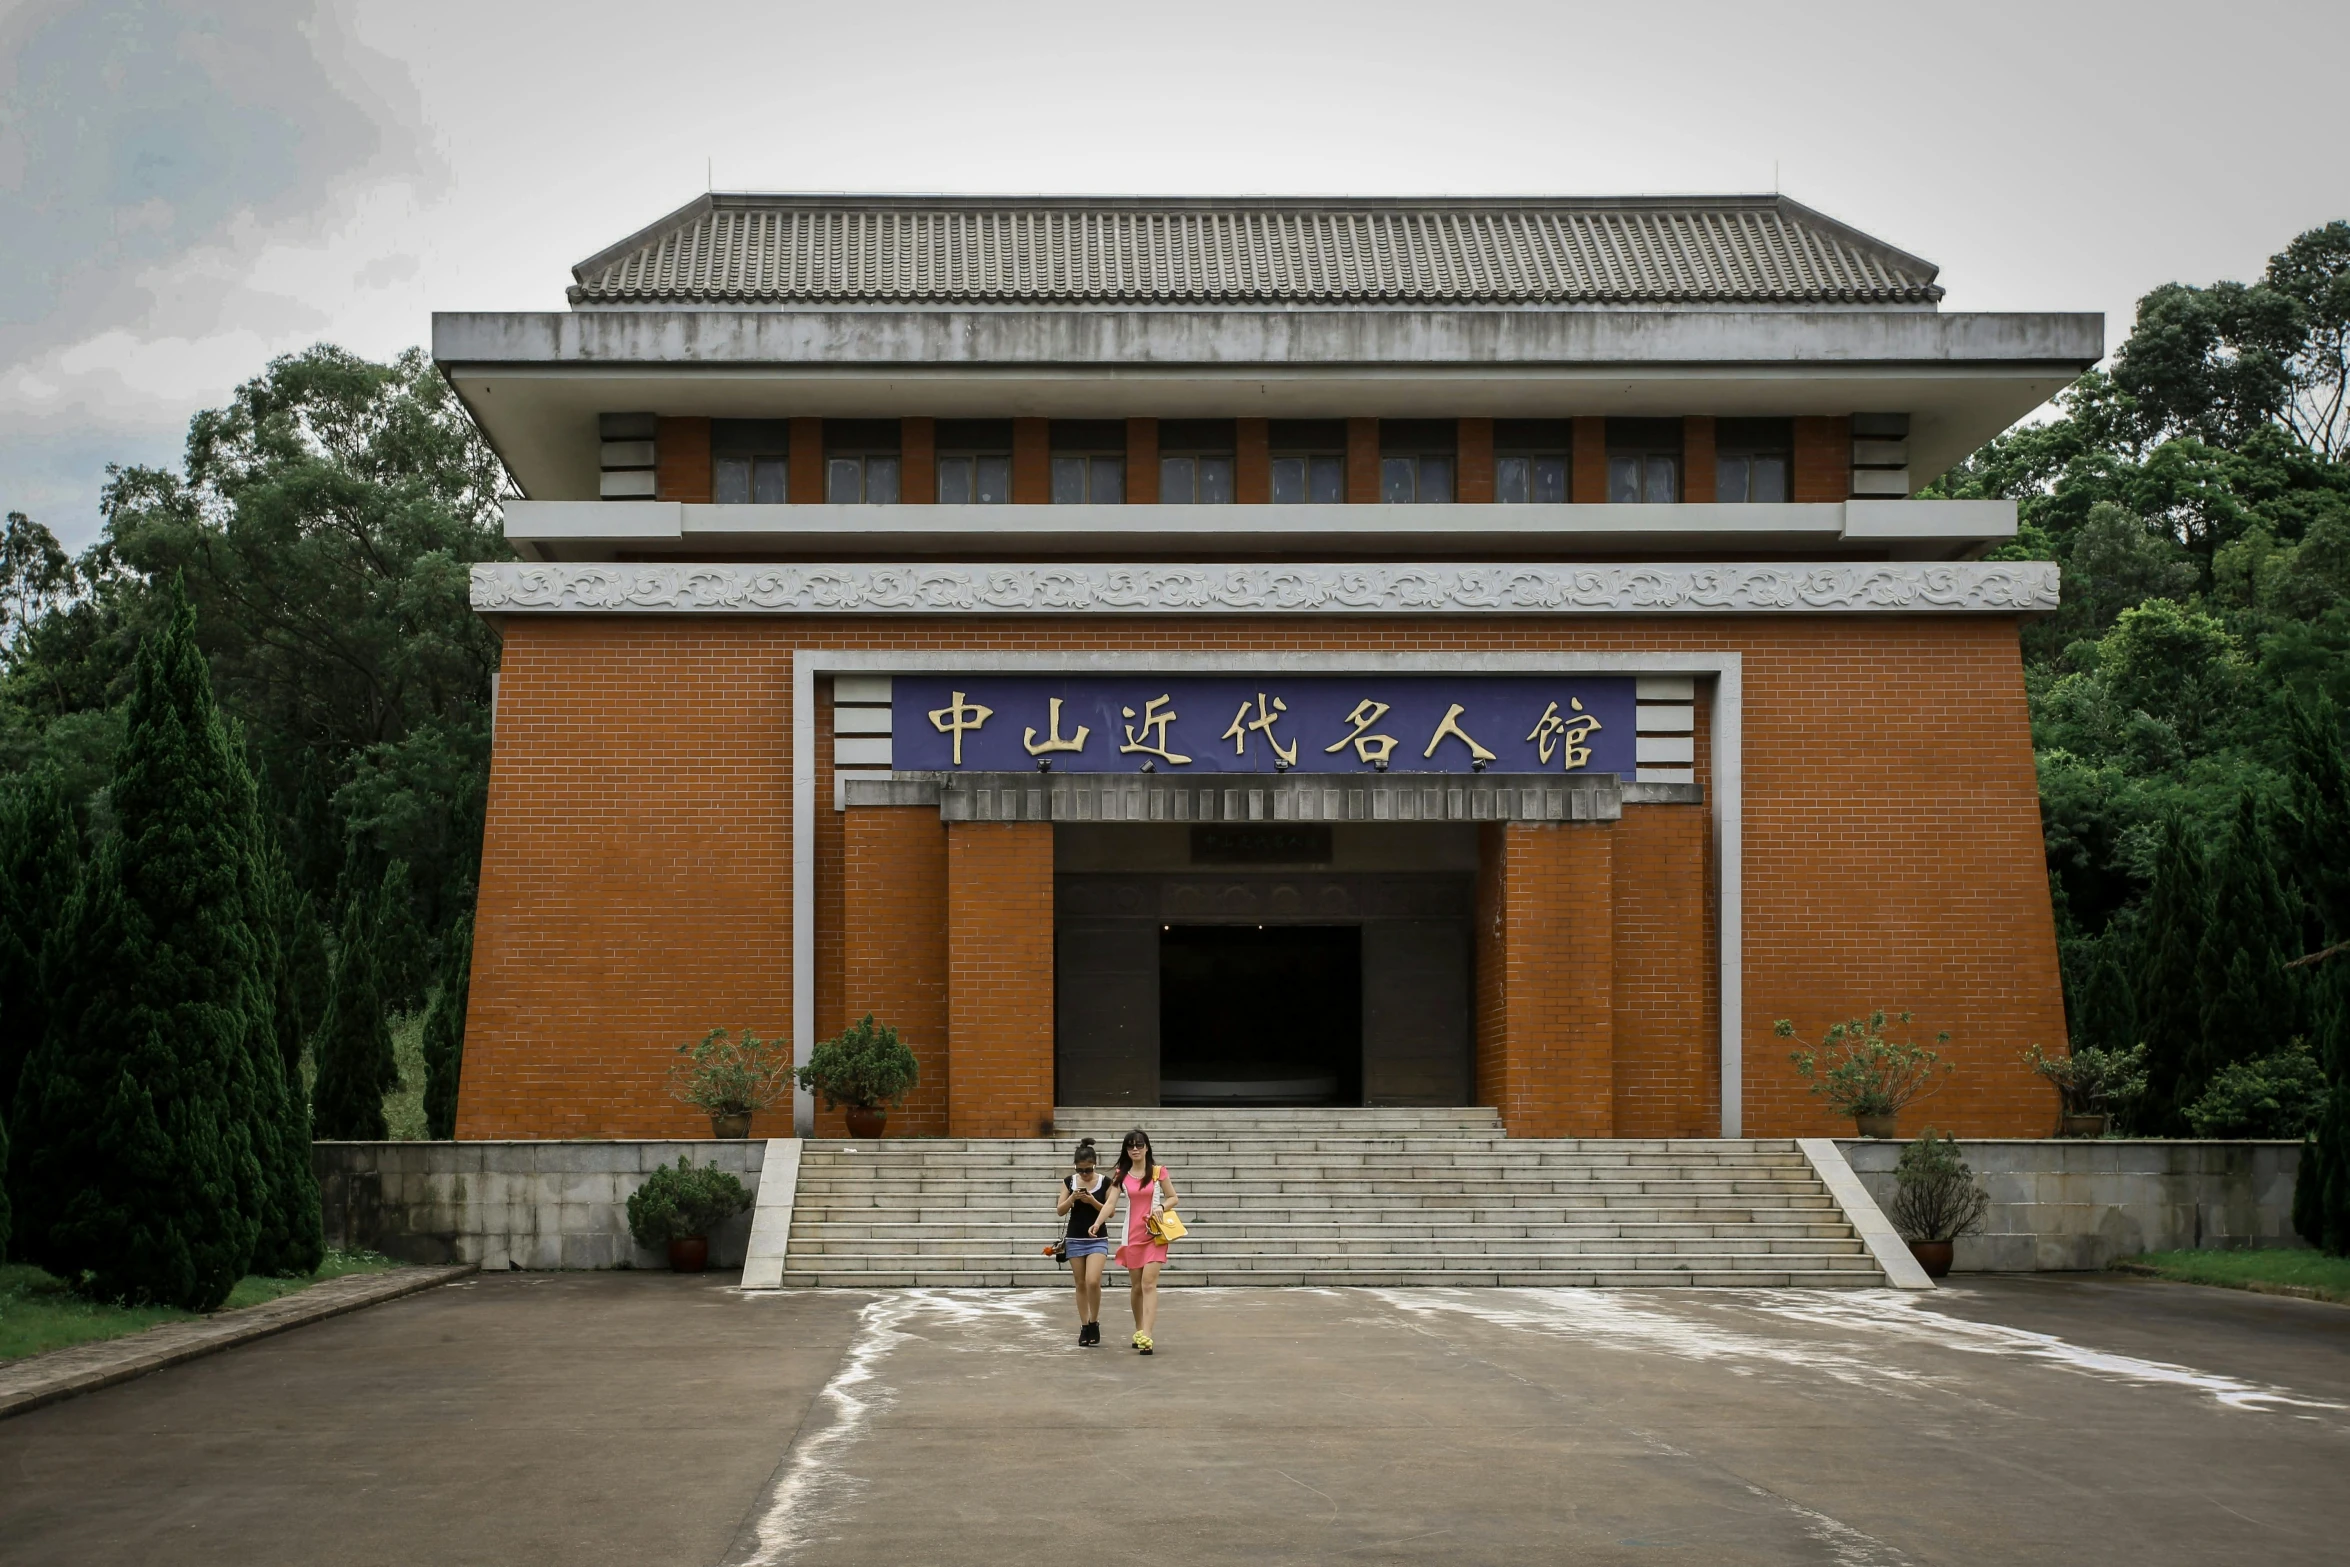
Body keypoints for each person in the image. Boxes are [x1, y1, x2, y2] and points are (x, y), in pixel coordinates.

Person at [1101, 1127, 1178, 1355]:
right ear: (1126, 1150)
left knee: (1148, 1284)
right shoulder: (1121, 1174)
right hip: (1132, 1236)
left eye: (1139, 1145)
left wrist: (1161, 1206)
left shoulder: (1157, 1172)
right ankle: (1138, 1328)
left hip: (1155, 1235)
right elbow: (1110, 1203)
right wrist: (1097, 1223)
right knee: (1136, 1287)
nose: (1135, 1149)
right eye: (1130, 1145)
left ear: (1147, 1148)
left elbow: (1174, 1197)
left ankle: (1147, 1334)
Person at [1055, 1138, 1112, 1347]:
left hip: (1097, 1237)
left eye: (1088, 1170)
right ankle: (1084, 1326)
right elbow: (1060, 1210)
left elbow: (1110, 1211)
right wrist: (1072, 1199)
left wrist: (1092, 1201)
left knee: (1092, 1281)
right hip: (1075, 1237)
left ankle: (1094, 1320)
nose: (1084, 1174)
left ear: (1095, 1164)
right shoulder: (1069, 1181)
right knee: (1080, 1283)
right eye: (1080, 1170)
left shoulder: (1105, 1182)